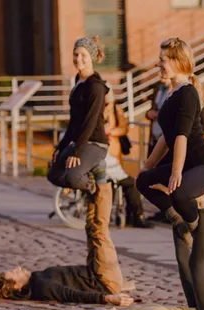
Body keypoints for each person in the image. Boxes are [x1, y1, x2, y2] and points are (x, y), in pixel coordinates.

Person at [48, 35, 126, 295]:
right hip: (79, 141)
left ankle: (92, 182)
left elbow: (92, 121)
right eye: (76, 55)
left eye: (83, 55)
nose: (78, 59)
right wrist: (61, 147)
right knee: (54, 173)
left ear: (92, 57)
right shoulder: (77, 82)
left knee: (72, 177)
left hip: (95, 144)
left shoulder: (96, 87)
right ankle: (90, 179)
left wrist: (77, 152)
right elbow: (74, 122)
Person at [136, 37, 204, 246]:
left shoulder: (188, 93)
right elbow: (166, 138)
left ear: (176, 61)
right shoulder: (171, 93)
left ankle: (196, 226)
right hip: (186, 165)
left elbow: (181, 136)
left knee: (180, 192)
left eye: (162, 60)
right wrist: (147, 167)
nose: (158, 64)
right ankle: (178, 220)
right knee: (142, 181)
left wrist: (176, 172)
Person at [102, 88, 150, 228]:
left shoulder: (115, 109)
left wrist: (112, 132)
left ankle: (129, 214)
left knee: (119, 182)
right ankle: (135, 216)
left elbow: (124, 127)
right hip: (104, 156)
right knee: (126, 183)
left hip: (113, 151)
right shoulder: (94, 109)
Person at [0, 265, 133, 305]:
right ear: (16, 286)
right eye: (13, 273)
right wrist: (108, 298)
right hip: (102, 279)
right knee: (97, 228)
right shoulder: (42, 286)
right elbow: (72, 295)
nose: (17, 268)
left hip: (96, 272)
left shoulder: (36, 278)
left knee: (95, 227)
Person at [145, 76, 172, 159]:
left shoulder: (178, 92)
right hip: (154, 139)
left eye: (163, 70)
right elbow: (152, 109)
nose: (160, 75)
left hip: (167, 141)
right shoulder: (158, 89)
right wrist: (149, 114)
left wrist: (160, 115)